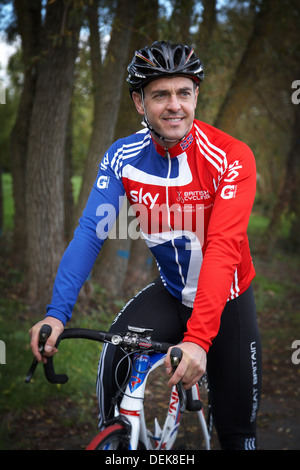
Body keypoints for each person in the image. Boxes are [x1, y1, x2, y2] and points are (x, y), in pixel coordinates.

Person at [29, 41, 262, 450]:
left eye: (183, 92)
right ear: (140, 102)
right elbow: (90, 232)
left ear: (195, 96)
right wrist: (56, 314)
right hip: (172, 292)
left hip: (227, 302)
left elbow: (224, 248)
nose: (174, 105)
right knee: (113, 361)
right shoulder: (123, 157)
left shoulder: (232, 158)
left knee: (238, 430)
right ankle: (116, 442)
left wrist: (198, 340)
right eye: (160, 94)